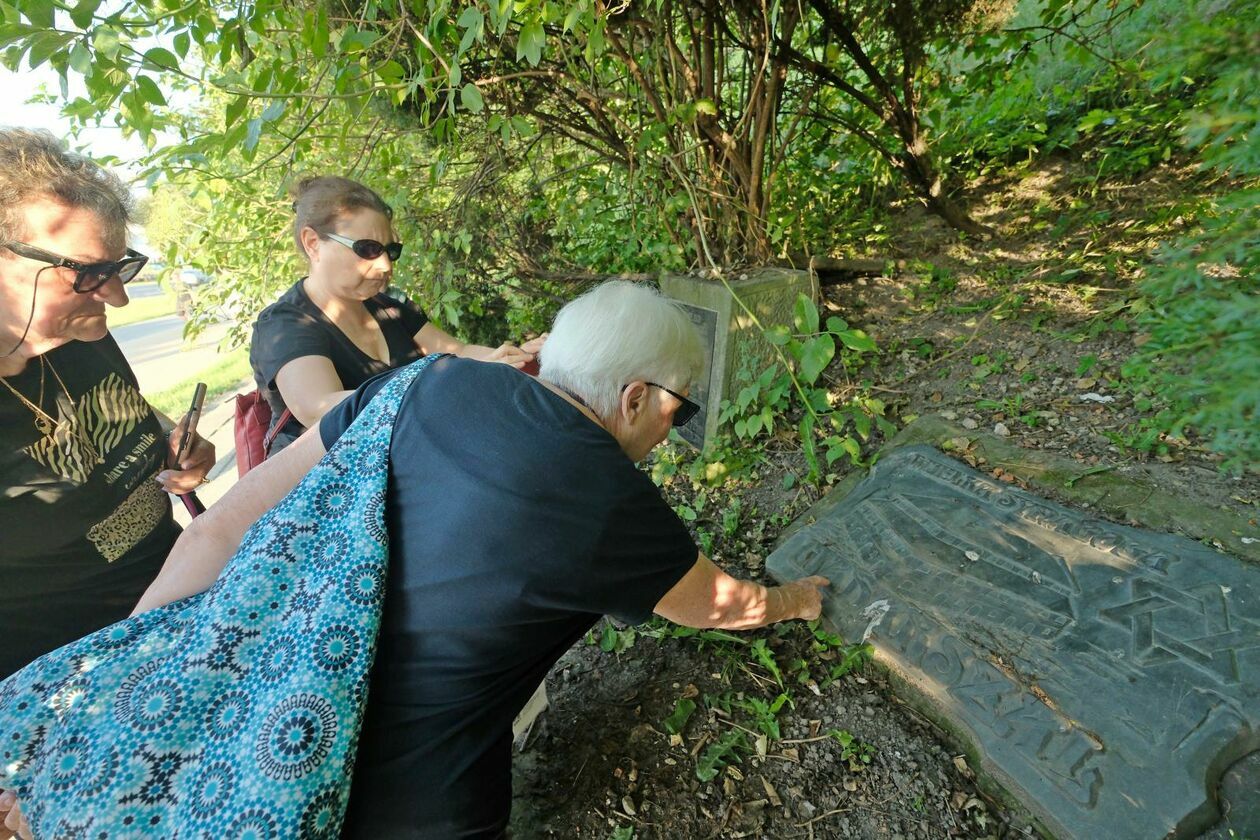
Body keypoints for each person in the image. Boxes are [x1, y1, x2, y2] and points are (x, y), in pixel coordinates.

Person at [133, 280, 830, 838]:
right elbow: (719, 607)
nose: (672, 429)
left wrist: (126, 697)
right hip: (417, 804)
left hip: (261, 740)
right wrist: (797, 599)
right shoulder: (612, 501)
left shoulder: (417, 383)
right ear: (636, 397)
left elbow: (212, 534)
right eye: (679, 411)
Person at [0, 128, 215, 681]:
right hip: (83, 674)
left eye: (120, 269)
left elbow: (124, 407)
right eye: (90, 274)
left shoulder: (79, 330)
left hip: (182, 593)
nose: (116, 297)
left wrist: (176, 441)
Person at [249, 175, 545, 456]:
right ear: (313, 243)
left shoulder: (388, 309)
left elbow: (460, 352)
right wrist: (438, 383)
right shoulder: (285, 325)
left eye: (391, 251)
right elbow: (321, 409)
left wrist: (515, 356)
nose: (385, 266)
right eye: (367, 249)